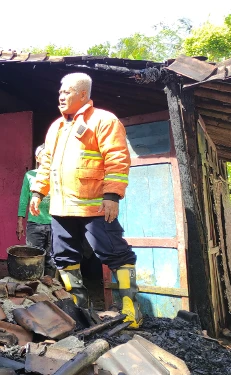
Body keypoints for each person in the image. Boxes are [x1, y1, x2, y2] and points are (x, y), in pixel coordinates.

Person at [29, 72, 142, 328]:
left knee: (115, 253)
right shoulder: (56, 127)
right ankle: (80, 311)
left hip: (95, 207)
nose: (60, 95)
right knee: (64, 258)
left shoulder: (104, 120)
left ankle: (131, 308)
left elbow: (117, 159)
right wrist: (38, 192)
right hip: (61, 208)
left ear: (82, 94)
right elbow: (46, 163)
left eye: (67, 91)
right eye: (59, 91)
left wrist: (112, 196)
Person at [17, 144, 56, 277]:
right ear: (37, 158)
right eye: (43, 155)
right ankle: (34, 290)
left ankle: (51, 289)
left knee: (52, 260)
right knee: (34, 257)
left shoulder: (56, 176)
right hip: (34, 224)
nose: (46, 158)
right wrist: (20, 221)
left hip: (54, 223)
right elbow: (23, 199)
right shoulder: (30, 175)